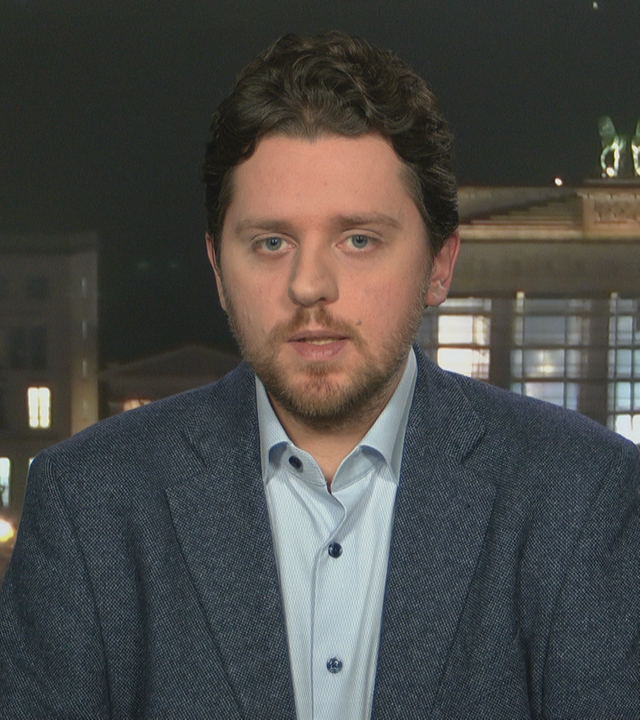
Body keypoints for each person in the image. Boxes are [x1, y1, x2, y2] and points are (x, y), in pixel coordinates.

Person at [0, 31, 638, 720]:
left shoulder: (582, 494)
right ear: (218, 268)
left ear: (440, 265)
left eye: (358, 239)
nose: (309, 284)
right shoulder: (87, 503)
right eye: (271, 242)